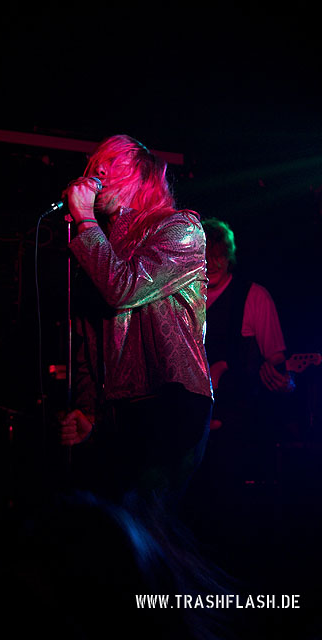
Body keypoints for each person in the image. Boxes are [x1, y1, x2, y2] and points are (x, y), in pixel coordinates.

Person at [58, 134, 213, 508]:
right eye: (95, 164)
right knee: (109, 522)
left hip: (170, 403)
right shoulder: (99, 247)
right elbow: (88, 337)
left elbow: (124, 288)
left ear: (144, 174)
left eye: (112, 162)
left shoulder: (180, 229)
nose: (98, 171)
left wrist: (85, 220)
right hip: (117, 413)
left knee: (149, 522)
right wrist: (89, 411)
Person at [200, 217, 294, 484]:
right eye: (206, 255)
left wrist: (285, 380)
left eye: (219, 255)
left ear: (229, 256)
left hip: (239, 432)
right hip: (194, 428)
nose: (212, 263)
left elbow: (277, 360)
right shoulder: (187, 299)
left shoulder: (254, 296)